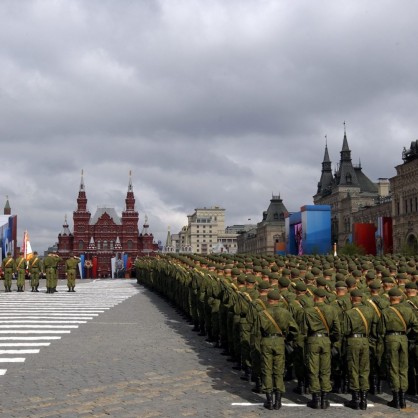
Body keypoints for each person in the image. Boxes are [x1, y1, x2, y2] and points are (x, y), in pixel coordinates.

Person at [254, 289, 298, 410]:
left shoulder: (262, 314)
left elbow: (256, 333)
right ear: (278, 300)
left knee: (267, 370)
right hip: (279, 342)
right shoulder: (285, 312)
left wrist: (258, 347)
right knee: (279, 371)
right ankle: (278, 401)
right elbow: (294, 329)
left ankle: (269, 400)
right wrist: (288, 339)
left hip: (266, 342)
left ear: (268, 300)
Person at [378, 287, 418, 409]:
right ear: (400, 298)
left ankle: (396, 398)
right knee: (403, 367)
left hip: (391, 339)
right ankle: (403, 398)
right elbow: (416, 325)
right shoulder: (407, 310)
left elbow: (381, 331)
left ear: (390, 298)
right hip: (403, 339)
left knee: (393, 367)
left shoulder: (386, 311)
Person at [301, 288, 341, 409]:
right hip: (326, 340)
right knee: (325, 369)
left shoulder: (308, 311)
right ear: (324, 297)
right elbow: (337, 330)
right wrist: (332, 340)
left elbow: (303, 330)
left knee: (313, 370)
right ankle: (325, 399)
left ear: (314, 297)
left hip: (313, 340)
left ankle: (316, 399)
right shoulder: (332, 310)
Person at [342, 289, 378, 410]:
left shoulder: (349, 313)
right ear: (361, 298)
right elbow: (374, 330)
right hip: (365, 341)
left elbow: (346, 331)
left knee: (353, 369)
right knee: (364, 369)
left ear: (351, 298)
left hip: (353, 341)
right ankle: (364, 399)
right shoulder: (370, 311)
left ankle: (356, 399)